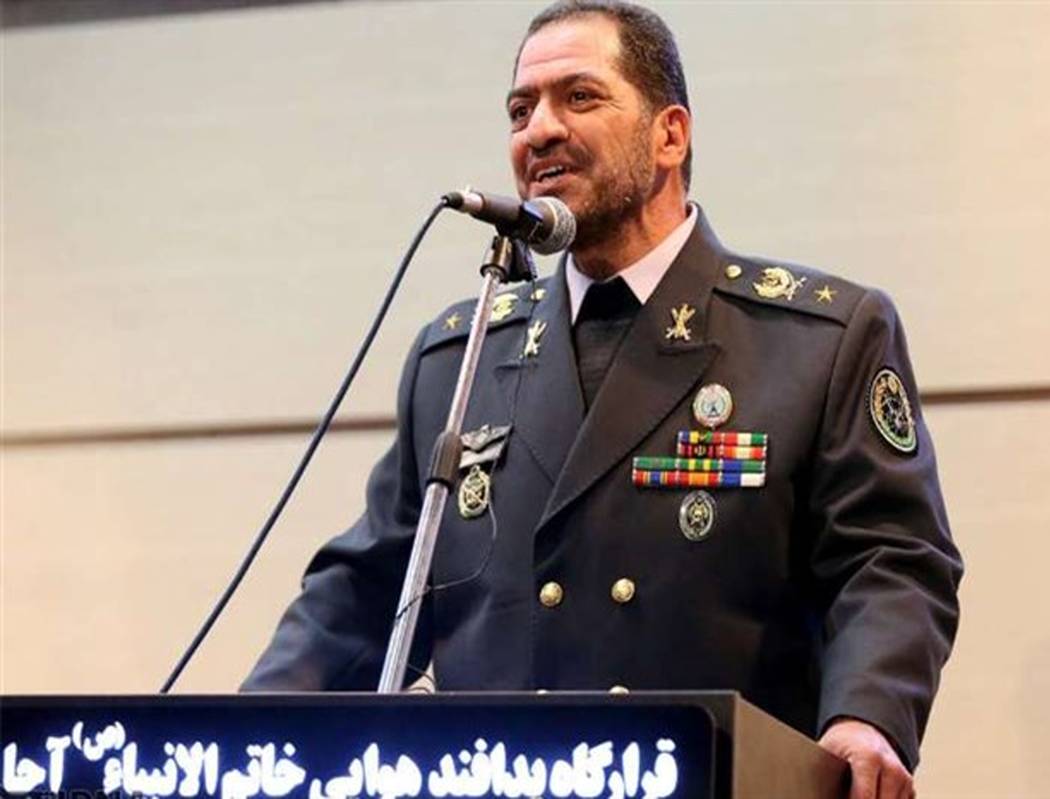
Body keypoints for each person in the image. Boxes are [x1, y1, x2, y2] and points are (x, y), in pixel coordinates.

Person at [244, 3, 963, 798]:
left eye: (579, 97)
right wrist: (244, 735)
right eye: (521, 110)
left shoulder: (815, 339)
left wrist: (867, 713)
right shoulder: (462, 355)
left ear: (669, 136)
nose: (539, 130)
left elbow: (890, 561)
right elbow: (368, 590)